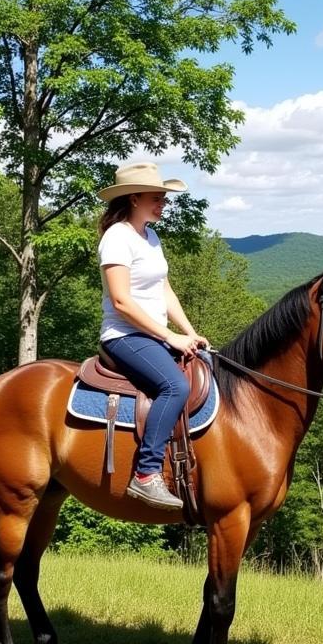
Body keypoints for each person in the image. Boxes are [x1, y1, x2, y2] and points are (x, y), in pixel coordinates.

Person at [97, 162, 209, 510]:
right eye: (157, 197)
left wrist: (190, 333)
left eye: (164, 197)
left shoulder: (150, 235)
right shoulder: (117, 237)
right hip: (124, 335)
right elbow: (121, 301)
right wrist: (170, 337)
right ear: (133, 198)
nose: (163, 203)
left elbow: (165, 291)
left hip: (153, 335)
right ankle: (146, 475)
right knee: (176, 386)